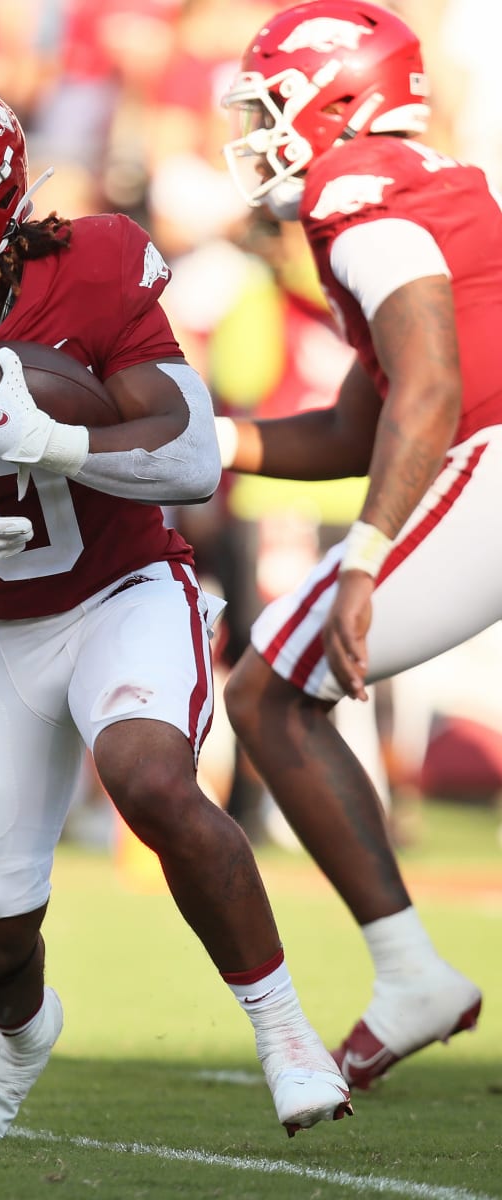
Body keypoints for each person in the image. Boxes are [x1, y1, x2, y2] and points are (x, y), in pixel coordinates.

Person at [0, 72, 351, 1139]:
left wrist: (57, 443)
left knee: (148, 777)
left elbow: (188, 456)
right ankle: (20, 1037)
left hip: (123, 589)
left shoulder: (90, 269)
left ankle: (283, 1030)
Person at [217, 0, 485, 1091]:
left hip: (493, 451)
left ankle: (410, 970)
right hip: (483, 446)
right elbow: (352, 424)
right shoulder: (408, 184)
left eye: (273, 103)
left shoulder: (353, 187)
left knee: (270, 693)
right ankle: (411, 972)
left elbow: (432, 388)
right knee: (270, 693)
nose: (257, 128)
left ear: (342, 97)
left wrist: (368, 554)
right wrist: (195, 444)